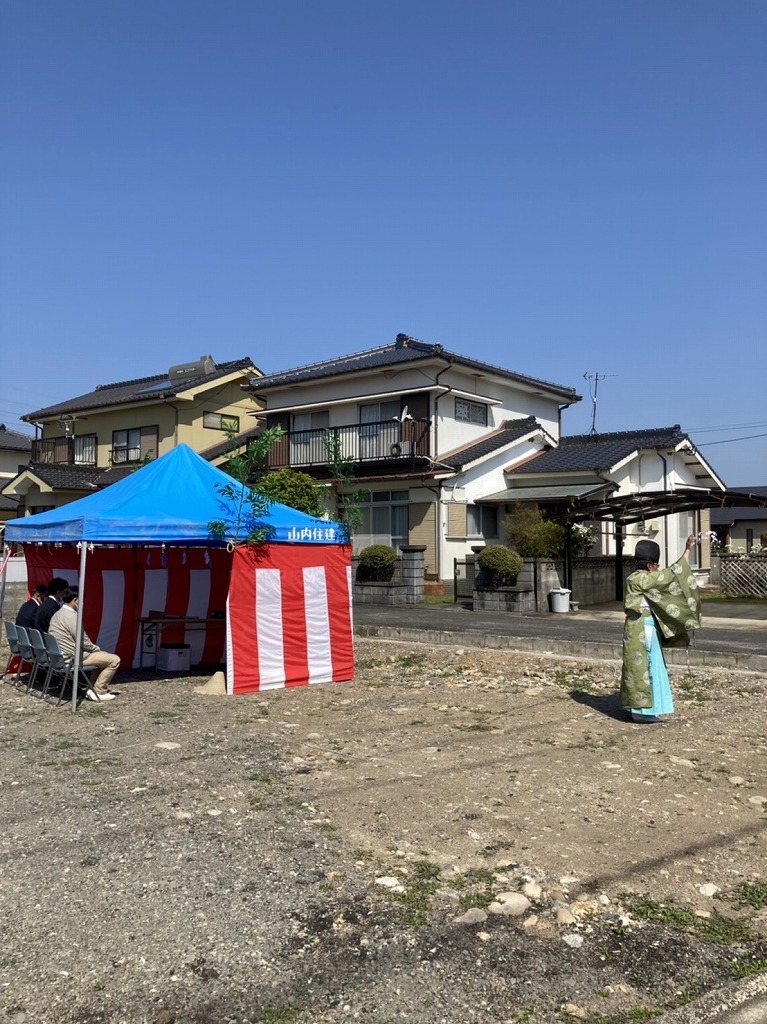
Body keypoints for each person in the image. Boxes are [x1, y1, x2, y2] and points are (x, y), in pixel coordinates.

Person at [620, 533, 701, 723]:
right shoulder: (642, 579)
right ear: (649, 565)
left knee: (638, 668)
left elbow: (666, 578)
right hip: (643, 627)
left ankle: (638, 709)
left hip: (637, 627)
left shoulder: (635, 577)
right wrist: (687, 550)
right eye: (656, 565)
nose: (657, 569)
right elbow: (671, 575)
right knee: (649, 666)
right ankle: (644, 711)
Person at [48, 586, 121, 702]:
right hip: (72, 657)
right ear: (75, 600)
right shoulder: (72, 617)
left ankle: (92, 689)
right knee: (114, 660)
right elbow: (83, 641)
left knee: (103, 658)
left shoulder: (57, 614)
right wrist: (95, 648)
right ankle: (99, 691)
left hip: (60, 656)